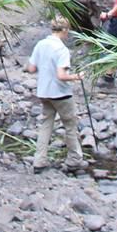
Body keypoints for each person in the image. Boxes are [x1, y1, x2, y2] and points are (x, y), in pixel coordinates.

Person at [27, 16, 87, 173]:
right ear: (65, 30)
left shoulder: (41, 44)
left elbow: (31, 68)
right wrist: (76, 76)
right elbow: (61, 75)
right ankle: (74, 159)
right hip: (60, 93)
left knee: (46, 124)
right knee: (70, 125)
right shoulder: (62, 50)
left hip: (43, 92)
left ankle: (39, 160)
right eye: (68, 31)